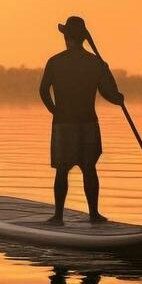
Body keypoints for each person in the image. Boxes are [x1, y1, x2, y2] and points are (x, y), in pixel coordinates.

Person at [38, 16, 124, 225]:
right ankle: (93, 214)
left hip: (64, 124)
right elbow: (109, 94)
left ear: (67, 37)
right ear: (83, 38)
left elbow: (43, 91)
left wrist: (55, 111)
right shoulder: (95, 63)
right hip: (87, 124)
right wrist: (118, 98)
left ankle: (58, 216)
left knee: (62, 169)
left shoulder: (56, 61)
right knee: (89, 168)